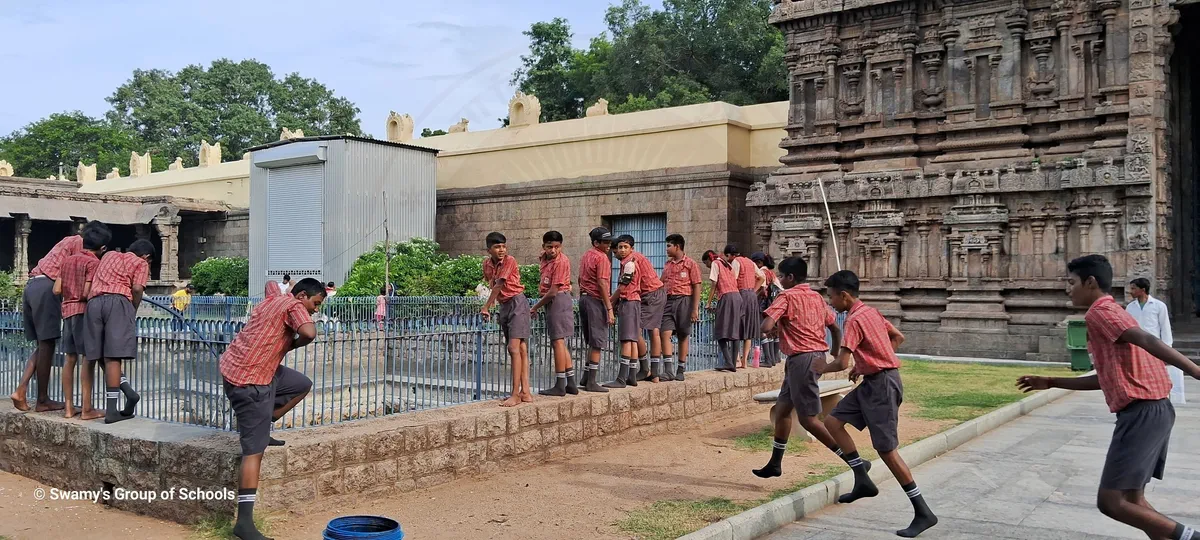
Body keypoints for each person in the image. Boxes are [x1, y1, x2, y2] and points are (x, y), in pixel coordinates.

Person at [1017, 255, 1200, 540]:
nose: (1068, 289)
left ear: (1090, 282)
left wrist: (1194, 369)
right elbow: (1105, 379)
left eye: (1071, 282)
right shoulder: (1111, 312)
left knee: (1111, 502)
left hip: (1143, 412)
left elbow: (1148, 340)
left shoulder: (1100, 312)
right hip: (1153, 410)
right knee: (1133, 500)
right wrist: (1051, 382)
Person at [823, 269, 938, 538]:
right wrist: (870, 364)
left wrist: (819, 367)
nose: (830, 303)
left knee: (887, 451)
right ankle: (862, 477)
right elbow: (897, 337)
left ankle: (923, 511)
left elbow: (841, 362)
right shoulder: (871, 312)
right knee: (832, 421)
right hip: (874, 382)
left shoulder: (852, 321)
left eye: (831, 298)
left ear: (844, 296)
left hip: (883, 386)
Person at [221, 278, 325, 540]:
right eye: (315, 303)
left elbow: (268, 283)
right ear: (302, 296)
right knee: (253, 453)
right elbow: (309, 332)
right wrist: (295, 342)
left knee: (301, 384)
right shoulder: (293, 305)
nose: (315, 309)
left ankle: (267, 419)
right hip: (251, 380)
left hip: (239, 366)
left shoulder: (273, 298)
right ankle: (244, 523)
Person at [753, 257, 844, 479]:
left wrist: (770, 327)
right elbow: (834, 327)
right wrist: (835, 351)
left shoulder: (786, 296)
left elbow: (766, 326)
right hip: (811, 357)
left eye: (782, 276)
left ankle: (854, 460)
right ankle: (775, 463)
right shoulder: (816, 297)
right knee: (783, 410)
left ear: (791, 277)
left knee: (808, 419)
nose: (781, 281)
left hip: (801, 359)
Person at [10, 220, 111, 412]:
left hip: (33, 284)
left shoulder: (68, 240)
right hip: (48, 287)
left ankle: (22, 390)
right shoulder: (84, 248)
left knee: (43, 344)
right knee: (48, 344)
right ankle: (41, 399)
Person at [84, 239, 155, 424]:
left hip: (94, 303)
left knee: (97, 352)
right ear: (146, 257)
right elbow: (138, 288)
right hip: (118, 302)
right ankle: (112, 411)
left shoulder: (109, 255)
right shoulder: (140, 263)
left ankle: (128, 392)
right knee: (113, 356)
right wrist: (133, 307)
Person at [54, 227, 107, 419]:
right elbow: (86, 293)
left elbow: (56, 289)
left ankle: (68, 408)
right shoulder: (93, 262)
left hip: (67, 311)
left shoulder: (67, 260)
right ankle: (86, 408)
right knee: (88, 358)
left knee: (69, 359)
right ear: (102, 248)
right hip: (84, 312)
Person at [480, 232, 533, 407]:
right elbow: (491, 283)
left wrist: (486, 306)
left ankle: (515, 394)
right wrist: (493, 302)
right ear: (489, 250)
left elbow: (499, 284)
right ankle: (525, 392)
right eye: (497, 247)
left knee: (513, 347)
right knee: (521, 348)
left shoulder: (509, 261)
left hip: (517, 302)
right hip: (505, 304)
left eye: (503, 246)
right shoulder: (487, 264)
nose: (501, 250)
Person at [531, 231, 578, 397]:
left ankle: (560, 384)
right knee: (559, 342)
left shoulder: (561, 261)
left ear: (561, 247)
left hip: (558, 299)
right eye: (549, 247)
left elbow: (552, 292)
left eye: (557, 247)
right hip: (554, 300)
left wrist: (534, 307)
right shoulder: (544, 257)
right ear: (544, 247)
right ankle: (570, 382)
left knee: (558, 341)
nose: (553, 250)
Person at [1127, 278, 1181, 403]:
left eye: (1134, 288)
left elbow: (1165, 328)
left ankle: (1161, 396)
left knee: (1157, 373)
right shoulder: (1130, 307)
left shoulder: (1158, 306)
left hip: (1154, 346)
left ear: (1143, 290)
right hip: (1136, 346)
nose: (1131, 291)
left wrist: (1167, 350)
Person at [660, 234, 701, 382]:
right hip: (668, 301)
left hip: (684, 300)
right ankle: (668, 370)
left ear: (677, 246)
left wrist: (694, 308)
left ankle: (681, 369)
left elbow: (696, 286)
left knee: (683, 335)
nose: (667, 249)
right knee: (665, 333)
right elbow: (661, 282)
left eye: (669, 245)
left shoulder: (690, 264)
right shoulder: (667, 265)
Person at [577, 227, 614, 393]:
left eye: (609, 241)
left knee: (591, 340)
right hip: (595, 300)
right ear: (596, 242)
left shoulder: (586, 255)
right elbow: (602, 283)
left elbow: (579, 278)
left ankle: (586, 377)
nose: (608, 245)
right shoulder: (602, 258)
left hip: (584, 298)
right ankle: (592, 381)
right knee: (597, 341)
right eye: (605, 242)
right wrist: (609, 308)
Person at [606, 235, 643, 388]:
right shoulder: (628, 263)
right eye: (620, 247)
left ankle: (621, 378)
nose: (621, 250)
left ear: (631, 249)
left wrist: (609, 302)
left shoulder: (629, 265)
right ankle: (632, 375)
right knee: (633, 339)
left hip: (629, 301)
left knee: (627, 339)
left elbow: (622, 287)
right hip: (635, 301)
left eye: (625, 247)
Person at [630, 237, 667, 382]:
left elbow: (630, 284)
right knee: (654, 331)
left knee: (636, 330)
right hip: (654, 292)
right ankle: (654, 373)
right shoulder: (635, 257)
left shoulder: (632, 260)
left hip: (651, 294)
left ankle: (646, 369)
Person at [725, 245, 765, 369]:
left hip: (740, 294)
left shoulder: (736, 262)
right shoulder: (750, 262)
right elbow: (762, 277)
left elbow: (733, 278)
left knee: (736, 325)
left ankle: (737, 359)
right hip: (751, 296)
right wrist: (754, 290)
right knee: (748, 327)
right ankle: (745, 361)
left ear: (730, 255)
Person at [703, 250, 743, 372]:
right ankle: (734, 363)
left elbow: (714, 284)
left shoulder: (715, 263)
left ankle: (728, 361)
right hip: (737, 296)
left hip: (727, 297)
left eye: (706, 263)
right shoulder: (727, 264)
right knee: (734, 331)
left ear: (709, 260)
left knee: (720, 331)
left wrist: (708, 302)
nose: (707, 266)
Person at [751, 252, 782, 368]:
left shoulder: (762, 272)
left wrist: (754, 296)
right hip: (775, 305)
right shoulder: (772, 273)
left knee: (762, 330)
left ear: (759, 263)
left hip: (765, 305)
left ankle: (768, 359)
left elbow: (763, 289)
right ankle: (775, 357)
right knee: (774, 331)